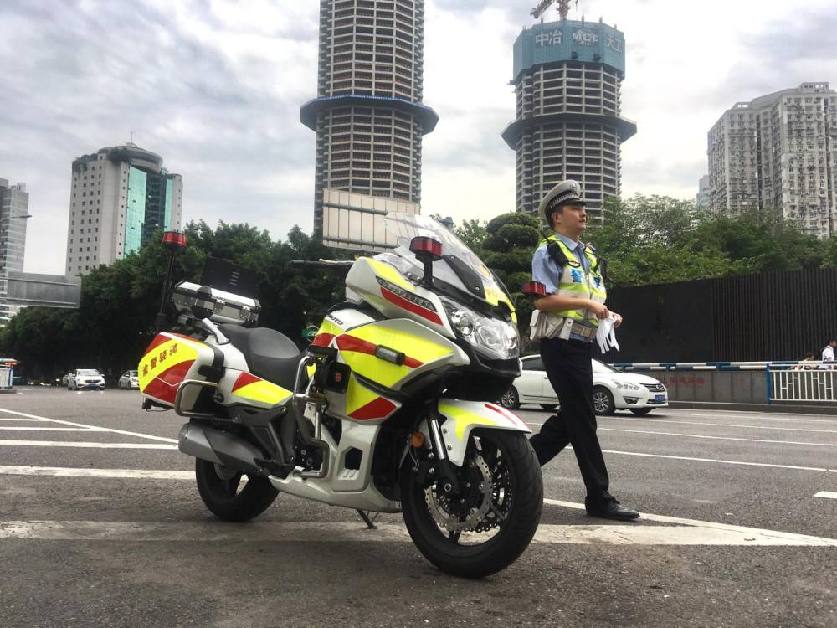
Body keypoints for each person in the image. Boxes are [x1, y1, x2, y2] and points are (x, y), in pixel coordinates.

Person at [528, 180, 639, 521]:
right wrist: (588, 305)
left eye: (583, 207)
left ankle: (517, 464)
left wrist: (607, 313)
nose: (583, 213)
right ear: (557, 216)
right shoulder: (548, 251)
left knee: (575, 418)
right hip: (559, 345)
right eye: (575, 208)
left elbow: (591, 298)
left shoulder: (587, 255)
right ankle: (599, 497)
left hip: (582, 345)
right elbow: (542, 301)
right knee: (583, 419)